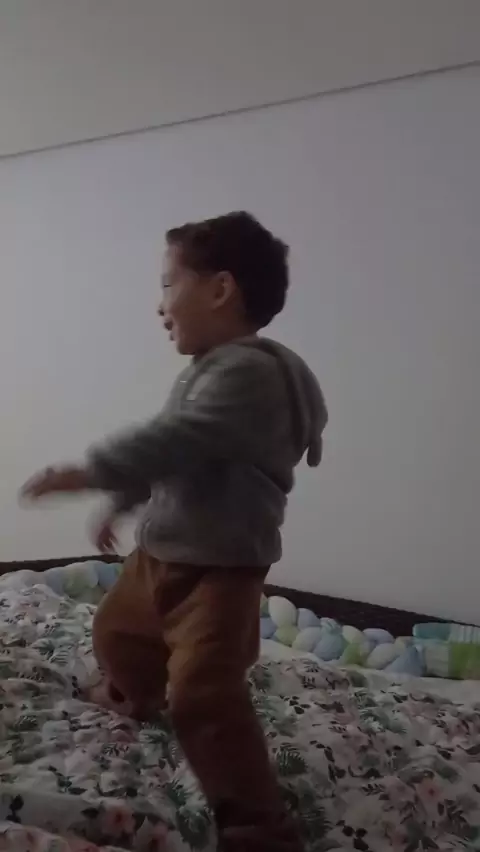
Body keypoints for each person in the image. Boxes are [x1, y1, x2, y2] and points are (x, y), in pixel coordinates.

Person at [21, 211, 327, 852]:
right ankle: (135, 693)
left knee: (204, 692)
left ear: (220, 289)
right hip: (160, 553)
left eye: (167, 284)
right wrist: (124, 502)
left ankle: (257, 824)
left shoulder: (247, 373)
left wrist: (90, 471)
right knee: (117, 632)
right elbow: (178, 456)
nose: (159, 305)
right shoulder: (212, 370)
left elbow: (178, 437)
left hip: (220, 571)